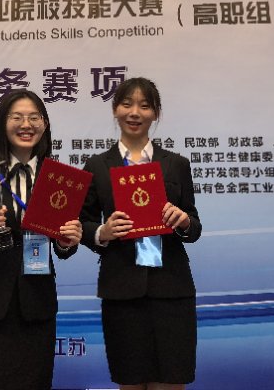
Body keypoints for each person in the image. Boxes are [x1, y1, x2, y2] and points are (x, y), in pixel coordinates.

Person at [0, 89, 83, 390]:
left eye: (34, 117)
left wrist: (66, 242)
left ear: (44, 124)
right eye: (17, 117)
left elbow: (62, 246)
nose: (26, 124)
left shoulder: (58, 178)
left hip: (36, 304)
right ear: (2, 123)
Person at [80, 77, 202, 390]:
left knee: (170, 381)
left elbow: (194, 225)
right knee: (130, 382)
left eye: (145, 106)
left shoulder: (176, 165)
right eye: (127, 104)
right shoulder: (97, 165)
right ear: (115, 109)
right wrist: (103, 231)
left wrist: (183, 221)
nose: (135, 112)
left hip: (171, 290)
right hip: (122, 291)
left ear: (155, 113)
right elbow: (82, 224)